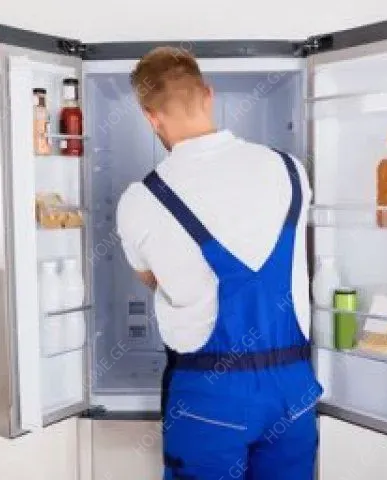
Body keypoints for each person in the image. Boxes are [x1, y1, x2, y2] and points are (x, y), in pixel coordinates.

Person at [116, 46, 323, 480]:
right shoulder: (290, 170)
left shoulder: (142, 199)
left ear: (151, 118)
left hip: (211, 397)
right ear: (208, 94)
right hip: (293, 391)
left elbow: (153, 278)